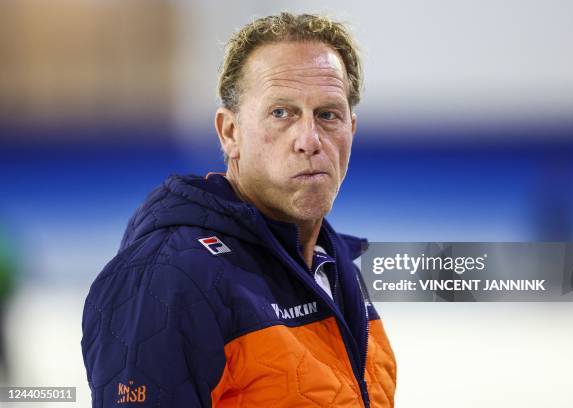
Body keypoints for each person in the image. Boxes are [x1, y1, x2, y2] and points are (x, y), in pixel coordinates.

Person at [81, 12, 396, 407]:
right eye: (282, 113)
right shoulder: (170, 277)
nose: (309, 140)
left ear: (351, 129)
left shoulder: (334, 267)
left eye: (327, 115)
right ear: (230, 133)